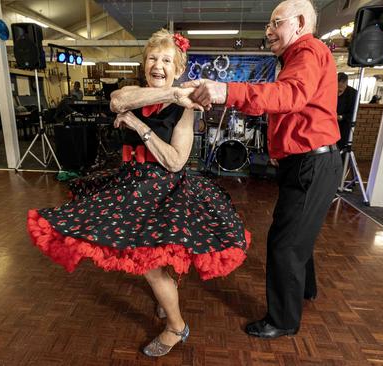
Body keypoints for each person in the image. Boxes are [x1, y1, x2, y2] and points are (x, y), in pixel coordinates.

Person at [27, 29, 250, 357]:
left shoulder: (184, 109)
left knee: (150, 263)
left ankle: (177, 327)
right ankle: (167, 300)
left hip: (162, 188)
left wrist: (138, 125)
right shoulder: (132, 92)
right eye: (152, 58)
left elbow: (175, 162)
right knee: (155, 259)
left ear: (177, 69)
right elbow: (118, 102)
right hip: (129, 184)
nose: (158, 65)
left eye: (166, 60)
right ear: (144, 64)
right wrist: (164, 97)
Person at [183, 0, 342, 338]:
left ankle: (283, 321)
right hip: (308, 161)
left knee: (284, 244)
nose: (268, 30)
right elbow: (296, 109)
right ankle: (304, 290)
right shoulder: (299, 56)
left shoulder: (308, 51)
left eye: (275, 22)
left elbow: (292, 96)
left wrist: (226, 90)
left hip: (312, 163)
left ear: (298, 23)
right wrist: (278, 149)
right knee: (299, 233)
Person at [336, 72, 358, 151]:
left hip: (344, 126)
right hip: (330, 125)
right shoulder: (329, 89)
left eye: (340, 91)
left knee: (341, 150)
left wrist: (341, 117)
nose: (338, 93)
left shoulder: (354, 94)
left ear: (345, 84)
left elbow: (353, 113)